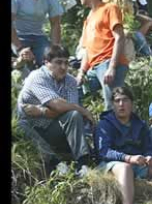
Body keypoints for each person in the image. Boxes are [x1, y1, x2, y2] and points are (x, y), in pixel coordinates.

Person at [16, 45, 94, 175]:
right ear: (46, 62)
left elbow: (66, 109)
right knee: (21, 125)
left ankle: (83, 163)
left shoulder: (69, 80)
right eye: (58, 62)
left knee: (73, 115)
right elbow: (59, 106)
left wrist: (42, 111)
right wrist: (81, 109)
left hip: (54, 127)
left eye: (66, 63)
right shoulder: (37, 77)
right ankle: (55, 163)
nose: (63, 67)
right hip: (33, 128)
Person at [95, 87, 152, 204]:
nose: (121, 104)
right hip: (111, 164)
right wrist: (127, 158)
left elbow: (148, 147)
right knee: (125, 168)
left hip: (137, 163)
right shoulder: (104, 124)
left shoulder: (140, 124)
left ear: (132, 103)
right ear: (112, 104)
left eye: (125, 100)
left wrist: (149, 156)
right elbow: (104, 152)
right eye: (117, 101)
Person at [74, 0, 129, 111]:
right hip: (94, 68)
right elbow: (87, 49)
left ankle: (114, 131)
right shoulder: (89, 17)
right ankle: (87, 126)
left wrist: (112, 67)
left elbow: (119, 37)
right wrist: (81, 72)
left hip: (108, 63)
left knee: (112, 105)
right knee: (74, 94)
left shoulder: (110, 8)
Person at [12, 0, 64, 67]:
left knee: (52, 62)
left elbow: (55, 24)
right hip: (17, 35)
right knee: (21, 65)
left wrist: (55, 50)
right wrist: (20, 48)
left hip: (38, 36)